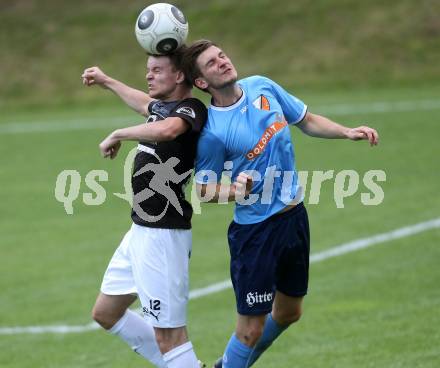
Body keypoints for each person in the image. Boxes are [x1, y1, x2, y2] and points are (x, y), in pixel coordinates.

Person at [182, 40, 379, 368]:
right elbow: (203, 190)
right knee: (249, 331)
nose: (223, 62)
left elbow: (306, 119)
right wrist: (234, 190)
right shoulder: (213, 132)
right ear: (201, 83)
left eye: (222, 55)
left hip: (294, 218)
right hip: (256, 234)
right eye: (212, 63)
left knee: (289, 312)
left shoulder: (262, 86)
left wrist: (347, 132)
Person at [81, 46, 207, 368]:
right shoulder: (163, 108)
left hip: (163, 235)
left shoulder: (190, 109)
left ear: (179, 75)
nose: (148, 75)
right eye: (148, 69)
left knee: (170, 336)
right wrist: (106, 80)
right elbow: (142, 103)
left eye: (157, 70)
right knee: (106, 312)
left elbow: (167, 130)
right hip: (140, 229)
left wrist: (118, 133)